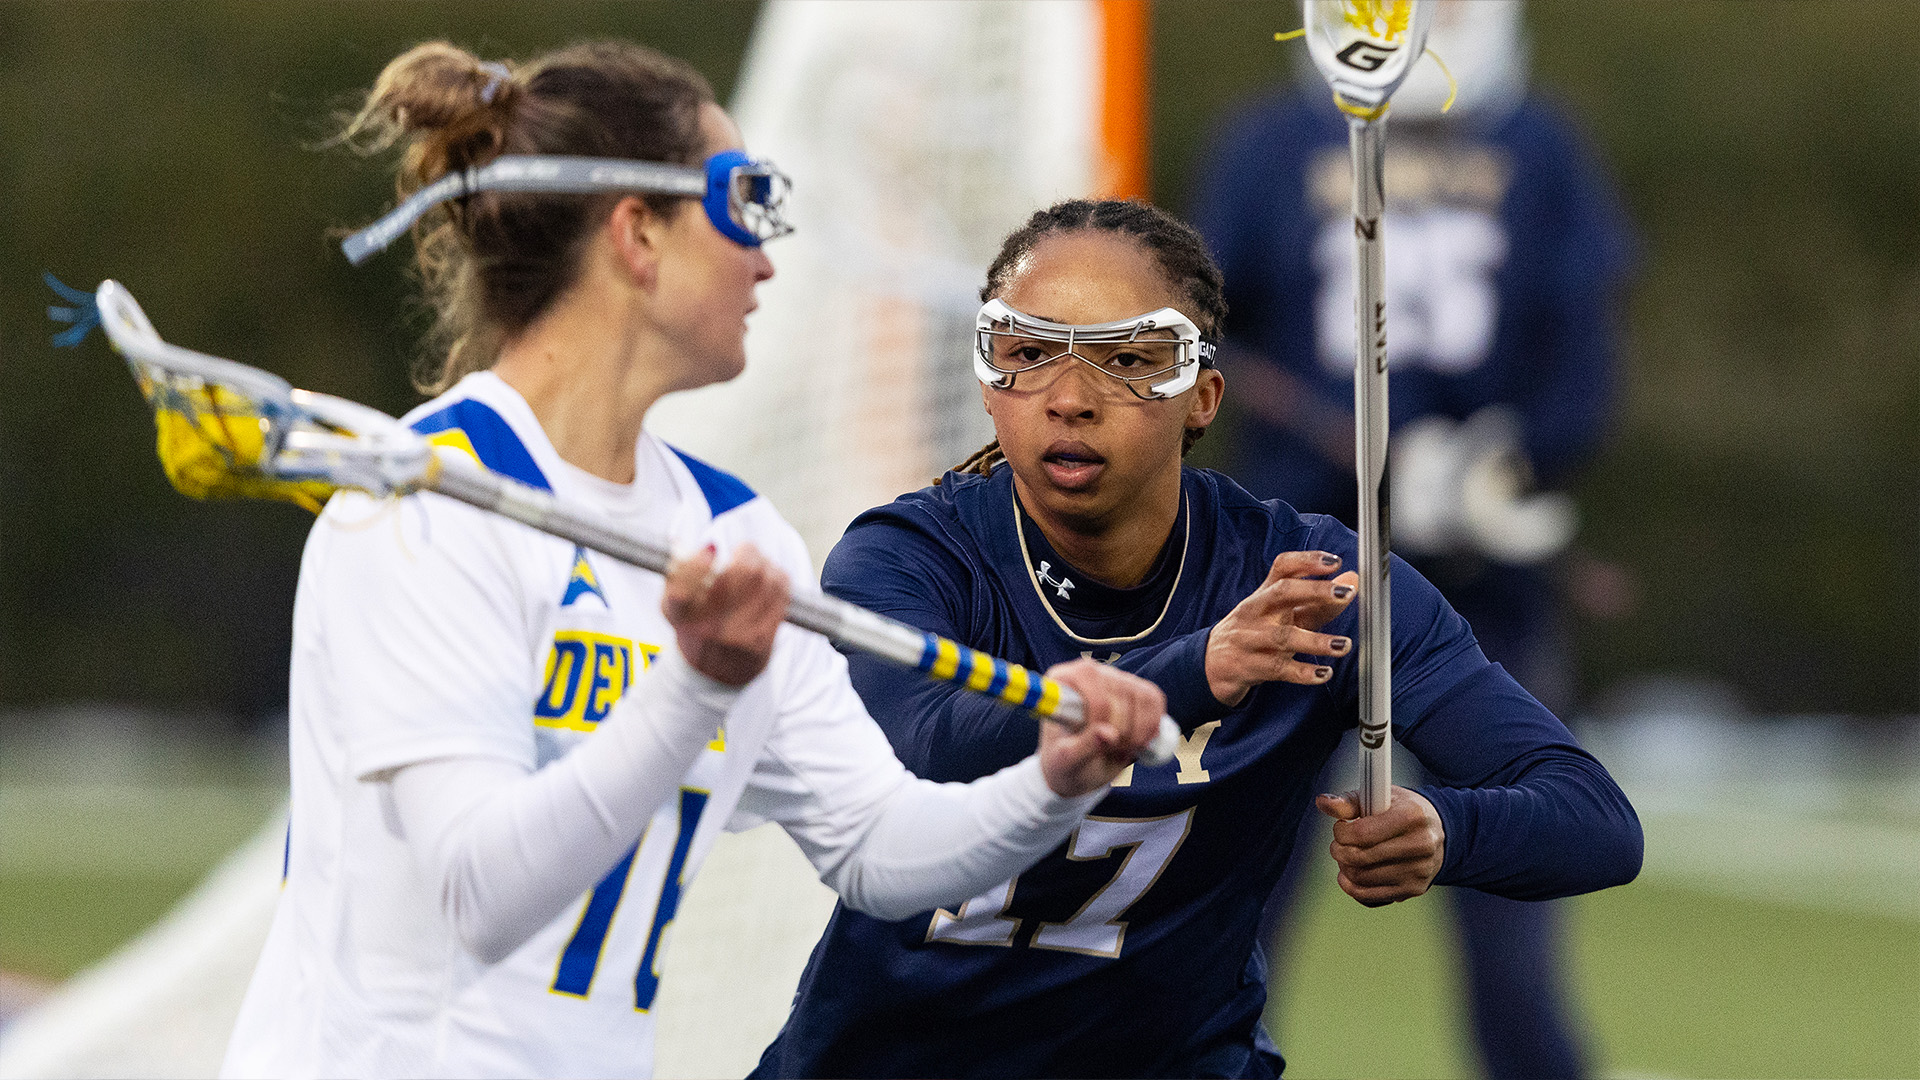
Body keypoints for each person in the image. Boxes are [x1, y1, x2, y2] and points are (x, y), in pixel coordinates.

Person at [219, 42, 1171, 1080]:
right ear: (637, 233)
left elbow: (876, 845)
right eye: (742, 201)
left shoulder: (736, 533)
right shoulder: (423, 505)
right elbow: (477, 895)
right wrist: (695, 686)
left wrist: (1053, 780)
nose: (767, 259)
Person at [751, 198, 1641, 1079]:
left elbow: (1594, 820)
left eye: (1127, 361)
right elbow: (915, 757)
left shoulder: (1314, 585)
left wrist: (1447, 829)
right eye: (1027, 354)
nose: (1070, 399)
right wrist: (1195, 672)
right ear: (988, 385)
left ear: (1202, 398)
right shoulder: (909, 557)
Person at [1189, 3, 1636, 1076]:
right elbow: (1200, 331)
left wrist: (1502, 465)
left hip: (1479, 589)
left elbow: (1584, 363)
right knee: (1230, 915)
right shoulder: (1269, 145)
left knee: (1514, 923)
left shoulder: (1541, 148)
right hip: (1302, 582)